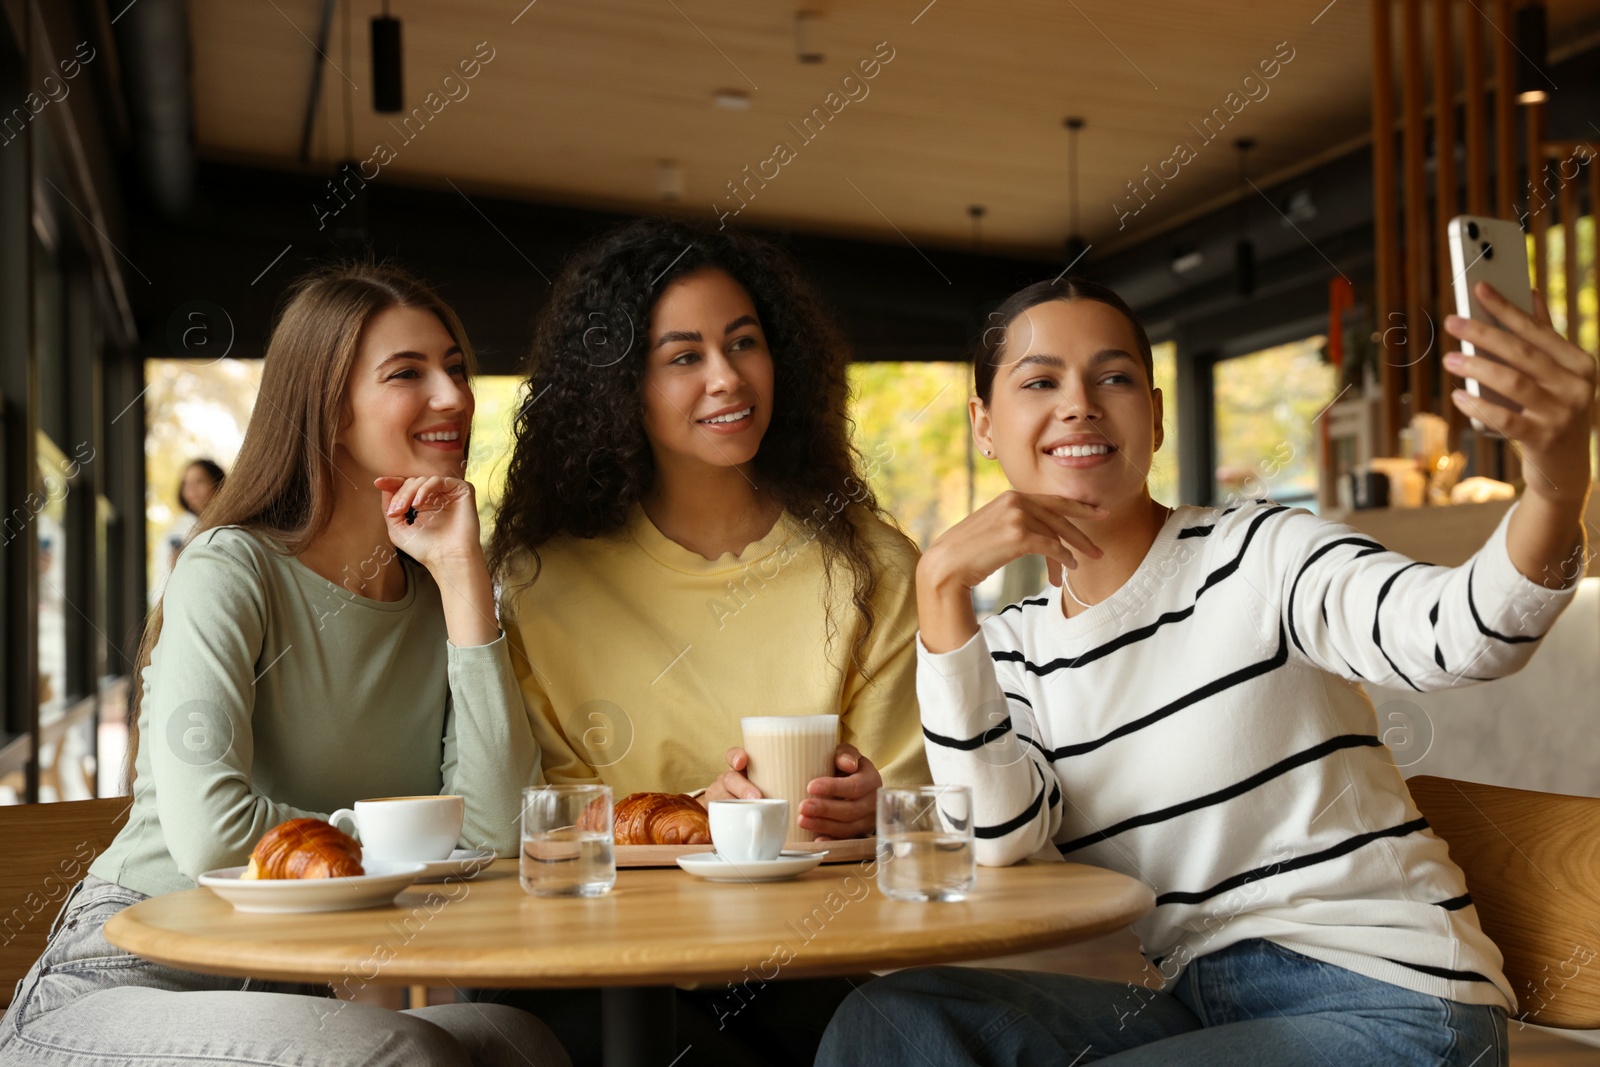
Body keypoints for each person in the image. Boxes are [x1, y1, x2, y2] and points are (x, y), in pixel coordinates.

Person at [819, 276, 1594, 1066]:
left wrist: (1557, 482)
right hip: (1203, 1005)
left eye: (1113, 377)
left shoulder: (1259, 554)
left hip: (1394, 1003)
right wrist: (941, 589)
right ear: (984, 425)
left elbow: (1462, 632)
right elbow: (995, 839)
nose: (1080, 403)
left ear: (1153, 417)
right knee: (891, 1021)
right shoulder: (1013, 645)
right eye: (1040, 381)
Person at [0, 264, 563, 1067]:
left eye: (457, 369)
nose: (454, 396)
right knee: (400, 1052)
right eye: (409, 373)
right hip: (122, 981)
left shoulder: (438, 596)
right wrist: (406, 850)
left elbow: (498, 831)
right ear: (329, 407)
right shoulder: (233, 570)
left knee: (519, 1040)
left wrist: (465, 576)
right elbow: (212, 835)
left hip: (282, 993)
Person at [480, 218, 929, 1065]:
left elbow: (912, 797)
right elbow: (538, 815)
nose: (726, 377)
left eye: (744, 343)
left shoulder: (872, 565)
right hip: (594, 965)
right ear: (621, 384)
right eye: (684, 355)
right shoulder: (543, 583)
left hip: (807, 961)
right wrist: (690, 817)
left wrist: (872, 809)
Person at [151, 459, 225, 603]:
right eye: (186, 483)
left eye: (199, 482)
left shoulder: (232, 525)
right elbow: (161, 584)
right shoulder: (176, 533)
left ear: (218, 483)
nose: (191, 490)